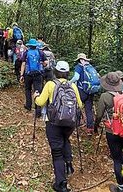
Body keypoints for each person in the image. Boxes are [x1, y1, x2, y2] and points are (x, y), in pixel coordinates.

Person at [35, 61, 83, 192]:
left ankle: (61, 184)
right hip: (70, 123)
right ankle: (68, 164)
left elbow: (40, 102)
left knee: (56, 152)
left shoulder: (50, 84)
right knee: (65, 140)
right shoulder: (73, 86)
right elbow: (80, 105)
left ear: (55, 72)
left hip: (54, 123)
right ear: (68, 73)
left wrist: (36, 96)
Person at [69, 53, 99, 135]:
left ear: (79, 60)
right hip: (90, 91)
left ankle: (76, 124)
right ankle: (90, 128)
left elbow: (76, 77)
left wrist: (69, 82)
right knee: (88, 110)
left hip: (82, 91)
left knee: (78, 106)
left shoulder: (79, 67)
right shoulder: (90, 67)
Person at [20, 39, 47, 116]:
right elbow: (46, 63)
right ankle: (38, 111)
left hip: (28, 74)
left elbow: (23, 64)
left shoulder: (26, 52)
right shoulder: (40, 52)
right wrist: (42, 64)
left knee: (28, 89)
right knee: (37, 91)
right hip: (38, 74)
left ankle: (28, 106)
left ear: (29, 45)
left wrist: (22, 75)